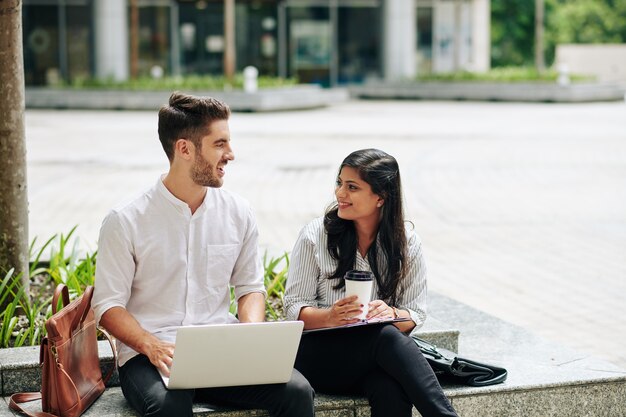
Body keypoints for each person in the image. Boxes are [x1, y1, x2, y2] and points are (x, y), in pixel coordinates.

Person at [92, 92, 314, 417]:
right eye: (220, 144)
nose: (231, 154)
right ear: (184, 148)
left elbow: (250, 287)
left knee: (296, 392)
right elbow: (108, 306)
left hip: (219, 348)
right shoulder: (125, 219)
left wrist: (252, 335)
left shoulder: (239, 212)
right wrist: (150, 345)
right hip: (151, 354)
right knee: (170, 405)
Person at [284, 148, 458, 417]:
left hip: (371, 362)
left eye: (352, 187)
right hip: (317, 357)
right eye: (339, 183)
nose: (340, 194)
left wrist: (392, 314)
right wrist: (331, 316)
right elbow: (294, 307)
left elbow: (415, 313)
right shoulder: (316, 234)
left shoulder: (407, 243)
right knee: (386, 337)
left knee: (390, 388)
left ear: (381, 197)